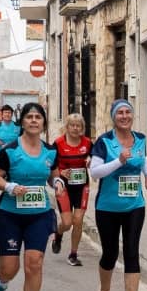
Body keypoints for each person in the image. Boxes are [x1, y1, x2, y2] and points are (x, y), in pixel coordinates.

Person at [0, 102, 60, 291]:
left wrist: (58, 183)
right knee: (10, 268)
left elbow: (53, 176)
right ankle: (2, 283)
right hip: (10, 215)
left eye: (38, 117)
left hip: (39, 215)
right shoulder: (10, 150)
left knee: (34, 263)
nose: (34, 121)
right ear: (23, 122)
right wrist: (9, 187)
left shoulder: (51, 151)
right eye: (29, 117)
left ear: (44, 122)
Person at [90, 99, 147, 291]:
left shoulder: (140, 139)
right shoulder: (104, 142)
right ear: (113, 117)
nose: (125, 116)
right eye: (120, 113)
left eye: (128, 112)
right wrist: (118, 161)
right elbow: (95, 172)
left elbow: (143, 158)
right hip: (107, 207)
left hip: (134, 205)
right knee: (110, 254)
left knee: (131, 251)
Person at [50, 113, 93, 266]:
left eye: (78, 126)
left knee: (78, 220)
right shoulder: (58, 143)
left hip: (82, 186)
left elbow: (96, 157)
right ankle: (58, 233)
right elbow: (52, 165)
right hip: (64, 186)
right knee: (67, 223)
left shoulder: (88, 143)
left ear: (82, 128)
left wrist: (91, 159)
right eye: (72, 125)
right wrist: (61, 173)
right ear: (67, 127)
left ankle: (73, 254)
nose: (75, 128)